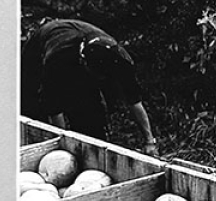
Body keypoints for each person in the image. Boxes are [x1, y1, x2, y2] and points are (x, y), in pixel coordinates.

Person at [20, 18, 159, 156]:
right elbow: (54, 109)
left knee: (91, 120)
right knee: (35, 117)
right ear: (84, 62)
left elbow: (134, 101)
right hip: (38, 54)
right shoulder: (57, 59)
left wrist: (149, 142)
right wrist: (61, 149)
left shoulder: (120, 60)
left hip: (78, 53)